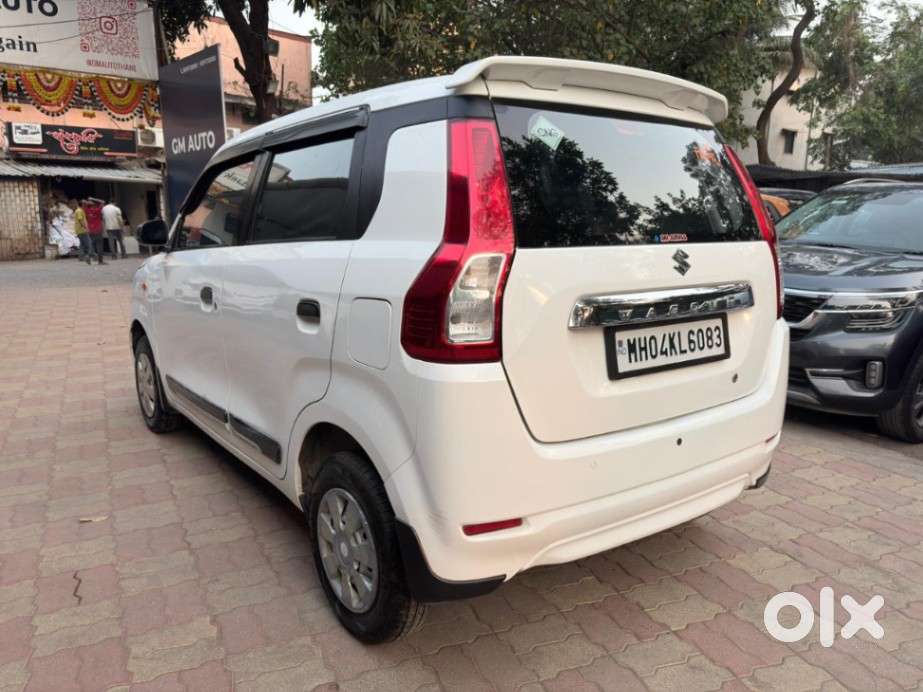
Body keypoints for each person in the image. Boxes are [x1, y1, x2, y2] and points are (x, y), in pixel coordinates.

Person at [84, 198, 106, 265]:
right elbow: (103, 202)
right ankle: (100, 261)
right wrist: (93, 199)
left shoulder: (86, 210)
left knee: (92, 245)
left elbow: (85, 204)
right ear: (94, 205)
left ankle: (88, 256)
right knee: (99, 246)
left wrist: (88, 202)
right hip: (98, 230)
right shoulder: (97, 210)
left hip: (91, 230)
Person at [72, 199, 93, 265]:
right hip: (82, 230)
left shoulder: (79, 210)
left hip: (79, 230)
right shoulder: (79, 211)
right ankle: (88, 256)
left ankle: (81, 256)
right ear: (83, 204)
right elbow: (80, 220)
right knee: (89, 244)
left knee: (82, 244)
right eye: (85, 204)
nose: (86, 205)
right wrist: (86, 228)